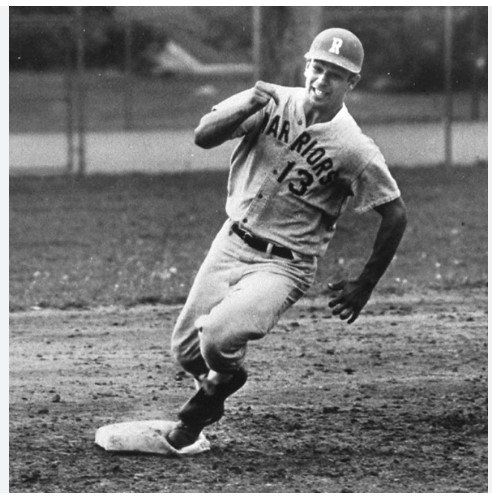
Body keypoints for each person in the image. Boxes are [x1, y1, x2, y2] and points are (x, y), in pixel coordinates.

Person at [166, 28, 407, 449]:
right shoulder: (272, 100)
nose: (321, 78)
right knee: (186, 352)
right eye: (317, 66)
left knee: (218, 339)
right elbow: (203, 136)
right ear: (306, 64)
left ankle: (212, 390)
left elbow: (395, 213)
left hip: (285, 263)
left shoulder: (354, 148)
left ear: (352, 82)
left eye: (336, 73)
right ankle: (225, 382)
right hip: (230, 242)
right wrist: (246, 104)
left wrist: (364, 284)